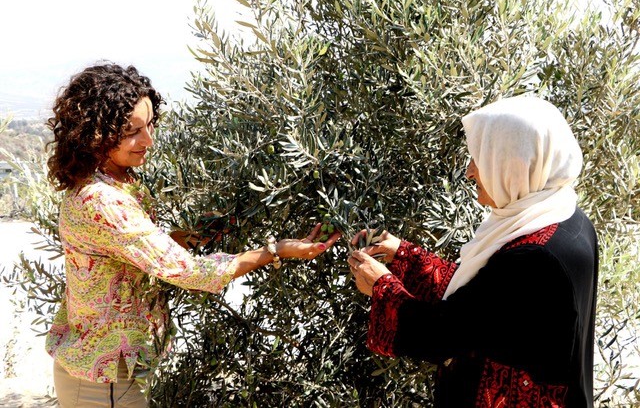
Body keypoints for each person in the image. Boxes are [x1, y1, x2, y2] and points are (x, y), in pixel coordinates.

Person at [44, 63, 340, 407]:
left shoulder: (116, 180)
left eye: (150, 124)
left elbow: (139, 253)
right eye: (132, 131)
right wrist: (275, 251)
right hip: (102, 380)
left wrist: (198, 234)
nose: (148, 140)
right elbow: (189, 272)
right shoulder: (101, 200)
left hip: (113, 372)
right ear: (95, 133)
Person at [347, 96, 598, 408]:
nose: (469, 172)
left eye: (480, 159)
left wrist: (381, 286)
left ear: (512, 164)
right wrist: (403, 255)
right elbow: (485, 304)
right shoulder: (563, 217)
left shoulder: (534, 256)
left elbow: (443, 334)